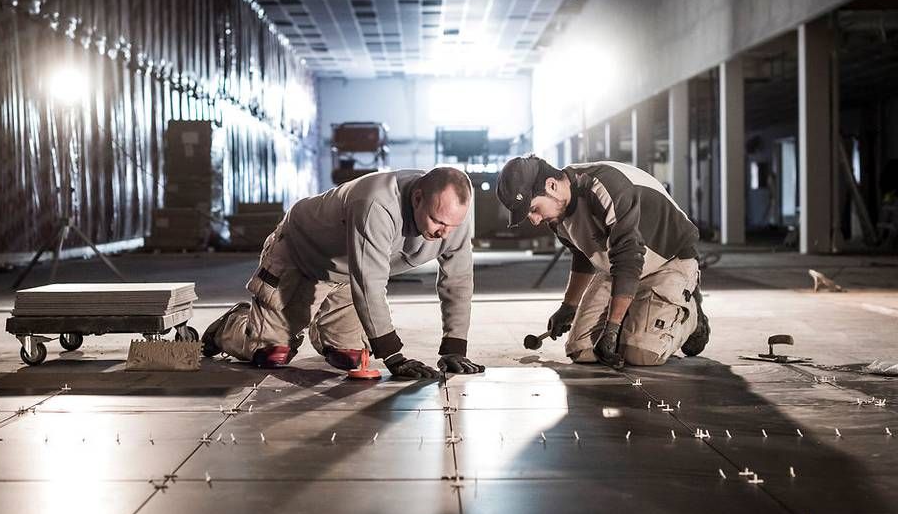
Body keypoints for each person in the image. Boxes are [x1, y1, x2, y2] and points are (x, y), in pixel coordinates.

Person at [201, 167, 485, 379]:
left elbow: (457, 282)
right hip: (301, 259)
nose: (444, 232)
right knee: (271, 354)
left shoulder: (453, 218)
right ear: (418, 198)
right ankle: (232, 327)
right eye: (437, 221)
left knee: (349, 359)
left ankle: (315, 324)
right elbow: (370, 284)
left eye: (452, 225)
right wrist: (393, 355)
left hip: (348, 276)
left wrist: (454, 347)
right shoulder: (377, 203)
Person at [496, 154, 710, 368]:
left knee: (641, 353)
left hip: (667, 263)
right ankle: (635, 314)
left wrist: (612, 328)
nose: (534, 220)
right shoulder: (557, 214)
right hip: (617, 269)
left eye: (533, 209)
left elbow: (628, 259)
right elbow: (582, 256)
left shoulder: (606, 188)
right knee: (582, 350)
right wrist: (568, 306)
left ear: (551, 186)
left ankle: (692, 318)